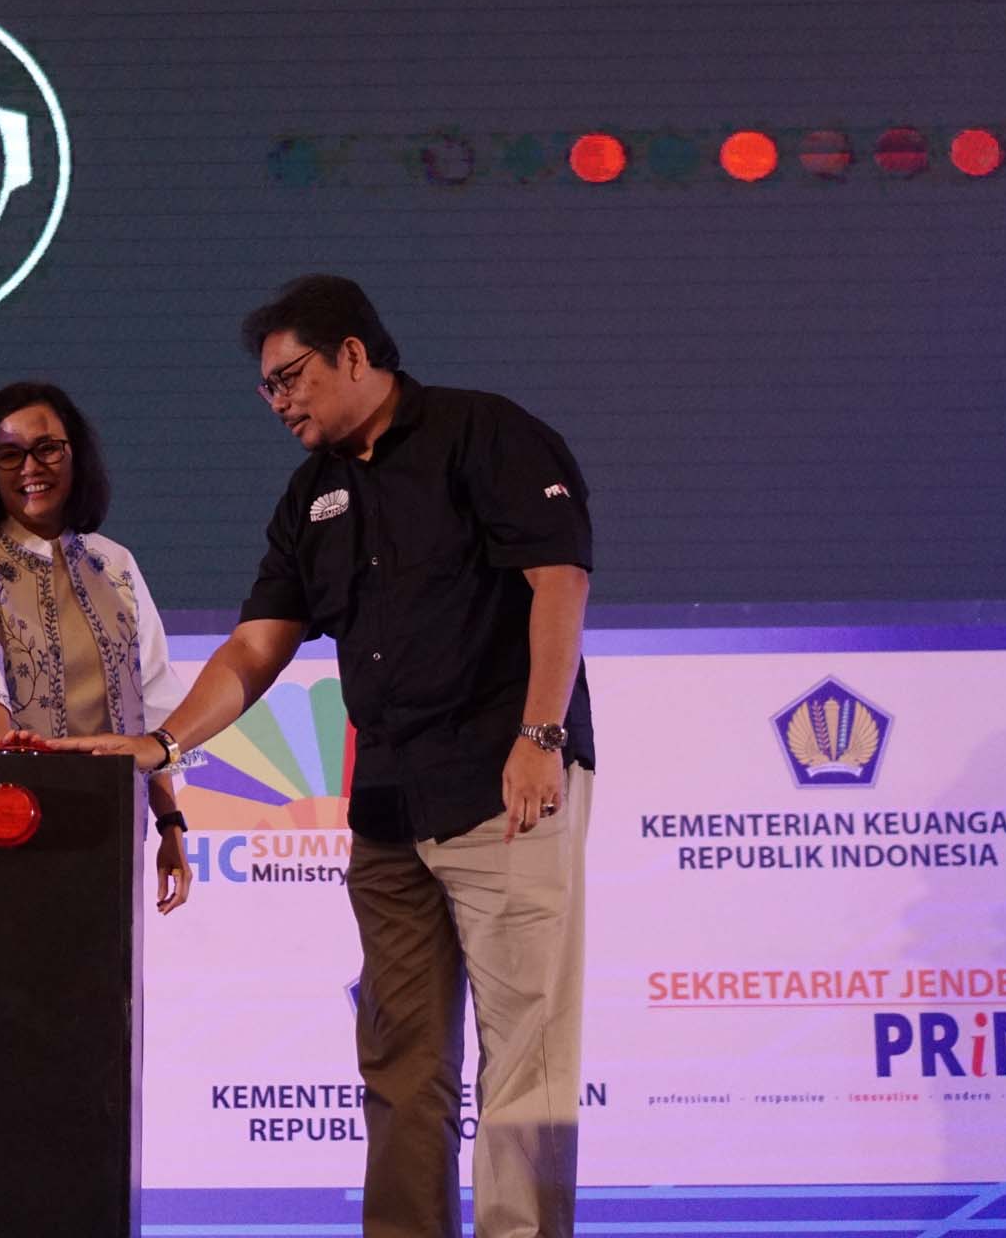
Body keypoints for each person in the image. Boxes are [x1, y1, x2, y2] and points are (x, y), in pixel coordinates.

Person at [50, 277, 597, 1237]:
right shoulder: (310, 497)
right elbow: (257, 645)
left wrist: (540, 736)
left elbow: (559, 580)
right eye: (266, 388)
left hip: (503, 784)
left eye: (290, 377)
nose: (278, 401)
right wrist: (164, 742)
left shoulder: (483, 433)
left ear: (353, 353)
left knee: (525, 1052)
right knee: (398, 1059)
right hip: (386, 809)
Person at [0, 380, 192, 914]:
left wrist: (170, 823)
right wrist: (12, 759)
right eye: (9, 455)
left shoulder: (115, 564)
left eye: (47, 448)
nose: (30, 467)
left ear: (75, 454)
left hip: (111, 823)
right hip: (3, 821)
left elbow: (154, 705)